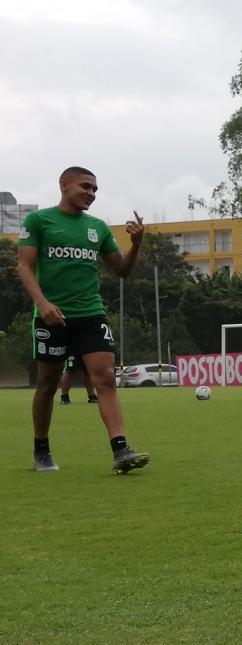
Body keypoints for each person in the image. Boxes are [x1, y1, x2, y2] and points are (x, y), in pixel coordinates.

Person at [15, 166, 149, 473]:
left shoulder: (97, 227)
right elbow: (23, 266)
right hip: (52, 316)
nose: (91, 193)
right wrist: (42, 304)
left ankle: (121, 451)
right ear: (64, 185)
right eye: (85, 186)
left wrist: (137, 245)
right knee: (47, 385)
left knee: (105, 377)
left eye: (95, 189)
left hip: (91, 313)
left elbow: (122, 270)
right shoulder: (39, 221)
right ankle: (41, 449)